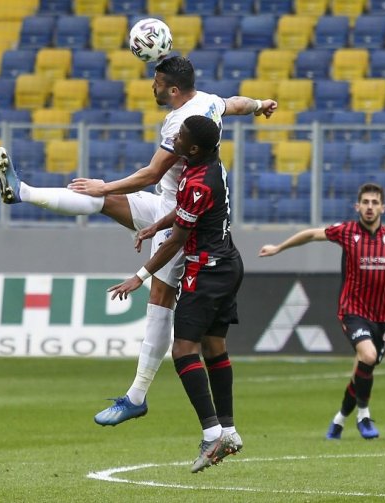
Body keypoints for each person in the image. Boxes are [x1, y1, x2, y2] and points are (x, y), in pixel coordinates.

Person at [0, 56, 277, 426]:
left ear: (173, 89)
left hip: (183, 216)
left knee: (160, 298)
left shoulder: (179, 123)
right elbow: (235, 102)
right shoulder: (207, 101)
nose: (152, 87)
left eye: (156, 82)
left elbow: (152, 173)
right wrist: (259, 106)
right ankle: (22, 191)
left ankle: (136, 396)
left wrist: (107, 185)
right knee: (100, 201)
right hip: (165, 203)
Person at [108, 115, 244, 473]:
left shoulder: (197, 180)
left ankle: (212, 432)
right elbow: (185, 214)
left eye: (180, 136)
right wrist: (155, 224)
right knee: (215, 345)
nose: (175, 138)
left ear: (193, 148)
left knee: (183, 349)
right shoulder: (211, 167)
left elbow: (179, 241)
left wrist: (139, 276)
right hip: (228, 262)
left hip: (206, 270)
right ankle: (228, 429)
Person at [258, 183, 385, 440]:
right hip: (352, 311)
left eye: (375, 203)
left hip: (382, 317)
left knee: (362, 371)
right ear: (358, 206)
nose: (370, 207)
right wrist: (279, 248)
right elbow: (310, 234)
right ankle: (364, 416)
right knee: (368, 355)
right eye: (366, 202)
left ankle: (338, 421)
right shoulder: (347, 231)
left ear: (383, 207)